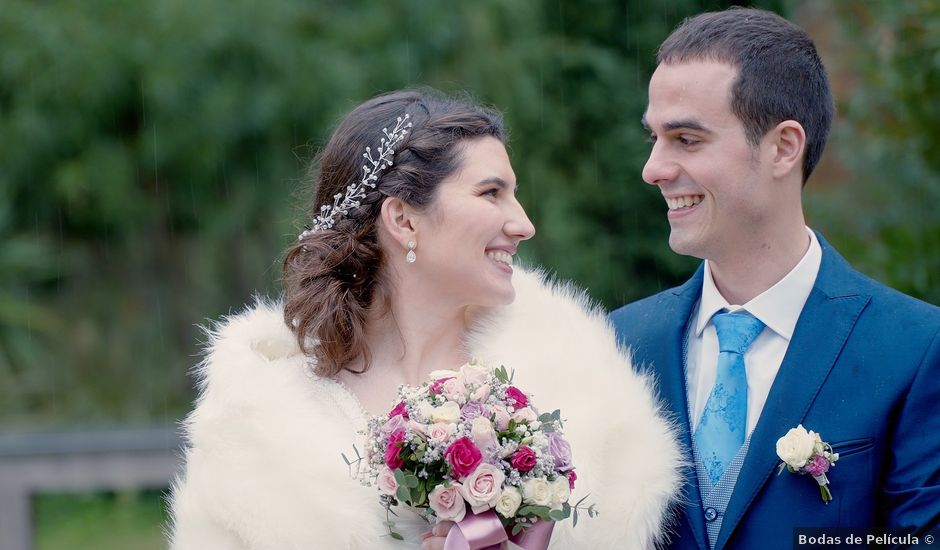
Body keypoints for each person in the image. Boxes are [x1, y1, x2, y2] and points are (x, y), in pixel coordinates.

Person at [168, 88, 681, 549]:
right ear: (403, 219)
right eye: (490, 193)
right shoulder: (253, 419)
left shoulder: (582, 386)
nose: (523, 224)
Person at [610, 7, 940, 550]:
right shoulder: (621, 342)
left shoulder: (916, 350)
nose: (654, 169)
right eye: (654, 139)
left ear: (783, 147)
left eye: (686, 140)